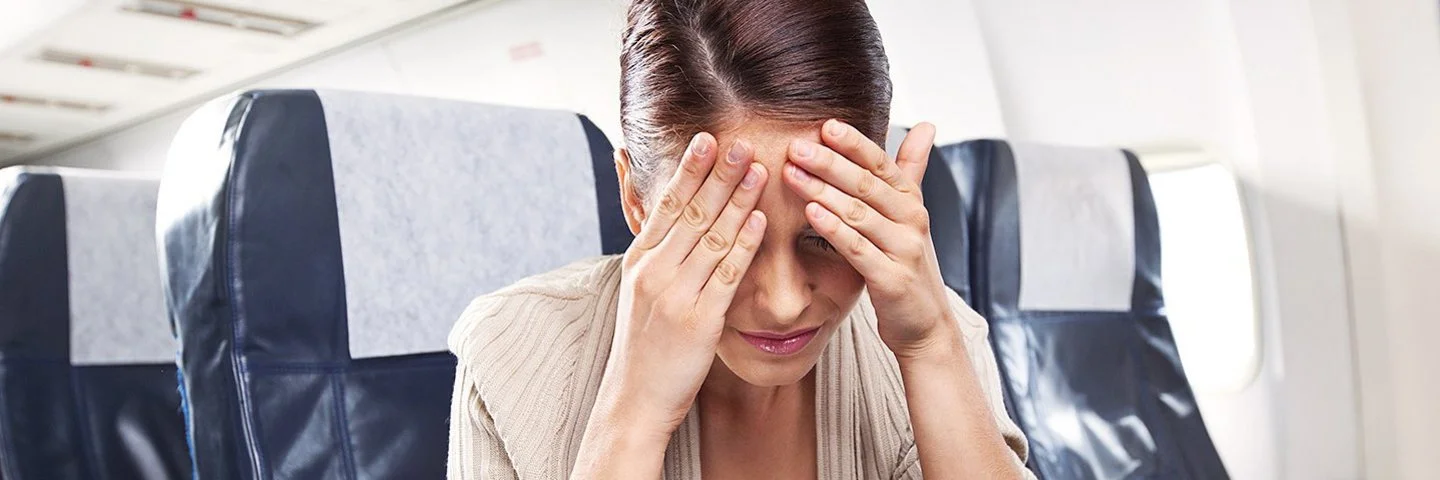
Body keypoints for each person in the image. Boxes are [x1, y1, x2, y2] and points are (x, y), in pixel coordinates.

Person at [446, 0, 1033, 478]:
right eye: (726, 240)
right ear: (634, 198)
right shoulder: (508, 356)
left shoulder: (936, 332)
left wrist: (930, 349)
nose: (783, 304)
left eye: (824, 237)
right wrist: (635, 417)